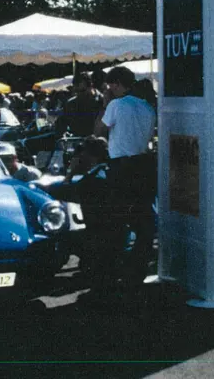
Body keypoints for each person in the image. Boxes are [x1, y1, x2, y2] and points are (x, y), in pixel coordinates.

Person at [93, 66, 157, 285]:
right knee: (143, 219)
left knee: (117, 218)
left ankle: (116, 267)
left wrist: (104, 105)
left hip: (122, 166)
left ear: (117, 84)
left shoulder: (115, 105)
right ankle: (138, 264)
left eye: (111, 85)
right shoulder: (147, 107)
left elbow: (97, 133)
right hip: (143, 164)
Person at [55, 72, 104, 138]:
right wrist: (64, 134)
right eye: (76, 91)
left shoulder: (102, 101)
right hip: (79, 143)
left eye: (82, 91)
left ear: (91, 86)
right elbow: (60, 124)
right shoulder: (71, 104)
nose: (79, 94)